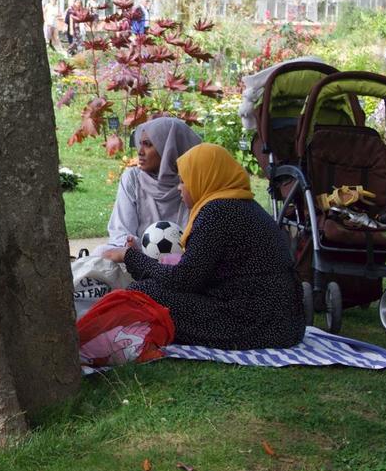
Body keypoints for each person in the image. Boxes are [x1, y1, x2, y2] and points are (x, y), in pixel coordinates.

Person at [102, 143, 305, 350]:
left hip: (256, 324)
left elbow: (184, 280)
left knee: (142, 293)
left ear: (203, 178)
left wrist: (130, 257)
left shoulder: (217, 212)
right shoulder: (241, 205)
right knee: (149, 291)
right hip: (284, 322)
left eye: (184, 181)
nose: (179, 187)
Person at [97, 117, 203, 257]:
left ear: (169, 148)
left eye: (148, 144)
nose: (140, 152)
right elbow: (121, 232)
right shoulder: (133, 178)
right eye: (140, 144)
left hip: (184, 266)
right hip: (136, 259)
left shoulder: (195, 183)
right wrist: (134, 247)